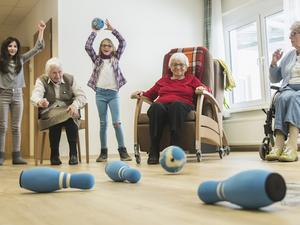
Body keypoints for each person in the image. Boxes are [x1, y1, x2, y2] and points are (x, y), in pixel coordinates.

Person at [132, 52, 210, 164]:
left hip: (181, 106)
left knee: (176, 105)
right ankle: (154, 149)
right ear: (170, 67)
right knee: (156, 106)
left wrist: (201, 89)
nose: (178, 67)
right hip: (162, 107)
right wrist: (140, 93)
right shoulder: (163, 80)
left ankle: (175, 149)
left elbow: (206, 89)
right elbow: (150, 94)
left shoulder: (191, 79)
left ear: (186, 67)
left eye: (181, 64)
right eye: (174, 64)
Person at [85, 19, 131, 162]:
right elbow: (87, 46)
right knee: (103, 123)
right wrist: (94, 32)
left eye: (109, 45)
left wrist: (113, 30)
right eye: (104, 45)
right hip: (100, 94)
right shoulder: (97, 59)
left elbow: (123, 42)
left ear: (112, 48)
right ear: (101, 48)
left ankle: (122, 150)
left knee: (117, 122)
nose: (106, 47)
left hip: (113, 94)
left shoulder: (115, 58)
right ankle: (103, 152)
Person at [0, 21, 46, 165]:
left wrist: (41, 31)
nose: (12, 48)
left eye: (15, 46)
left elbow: (38, 48)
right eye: (10, 46)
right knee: (2, 126)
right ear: (5, 48)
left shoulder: (21, 59)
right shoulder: (1, 61)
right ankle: (0, 156)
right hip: (3, 95)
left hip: (18, 95)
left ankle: (16, 156)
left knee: (16, 127)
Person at [31, 57, 87, 165]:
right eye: (54, 73)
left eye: (59, 72)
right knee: (55, 119)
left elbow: (82, 96)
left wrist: (75, 105)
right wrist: (40, 101)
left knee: (70, 115)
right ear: (48, 73)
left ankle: (73, 154)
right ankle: (55, 154)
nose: (57, 75)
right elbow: (35, 96)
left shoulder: (70, 79)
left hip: (68, 110)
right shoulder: (41, 80)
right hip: (50, 113)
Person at [266, 21, 300, 162]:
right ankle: (278, 144)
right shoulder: (289, 56)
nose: (290, 37)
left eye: (293, 34)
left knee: (293, 98)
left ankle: (291, 146)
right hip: (289, 88)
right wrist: (274, 63)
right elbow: (275, 78)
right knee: (281, 98)